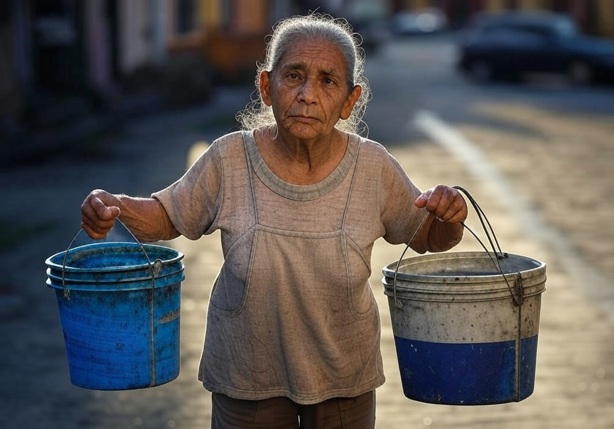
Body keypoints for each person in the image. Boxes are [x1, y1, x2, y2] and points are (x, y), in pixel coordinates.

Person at [81, 13, 468, 429]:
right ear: (267, 87)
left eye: (327, 81)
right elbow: (169, 215)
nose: (307, 94)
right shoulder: (230, 159)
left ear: (349, 101)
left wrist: (450, 214)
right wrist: (115, 205)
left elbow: (427, 234)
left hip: (343, 377)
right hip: (247, 377)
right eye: (294, 76)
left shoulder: (373, 167)